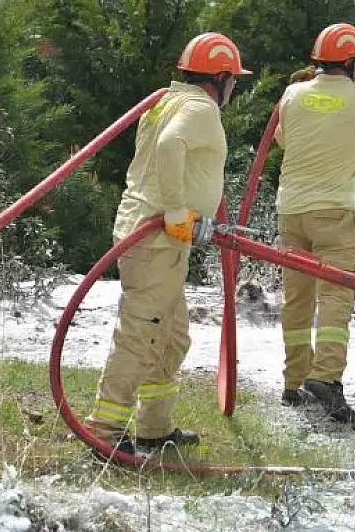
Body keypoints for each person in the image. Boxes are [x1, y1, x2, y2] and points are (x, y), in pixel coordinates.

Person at [85, 32, 252, 458]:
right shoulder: (199, 107)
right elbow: (168, 145)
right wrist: (178, 210)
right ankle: (103, 435)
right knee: (142, 334)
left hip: (158, 238)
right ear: (220, 77)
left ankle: (154, 429)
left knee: (172, 336)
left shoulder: (170, 101)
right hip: (156, 238)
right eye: (233, 79)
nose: (234, 87)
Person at [274, 23, 355, 425]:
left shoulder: (293, 95)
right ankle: (325, 378)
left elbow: (282, 140)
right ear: (352, 62)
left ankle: (294, 384)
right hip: (335, 213)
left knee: (298, 299)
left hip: (290, 211)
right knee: (335, 297)